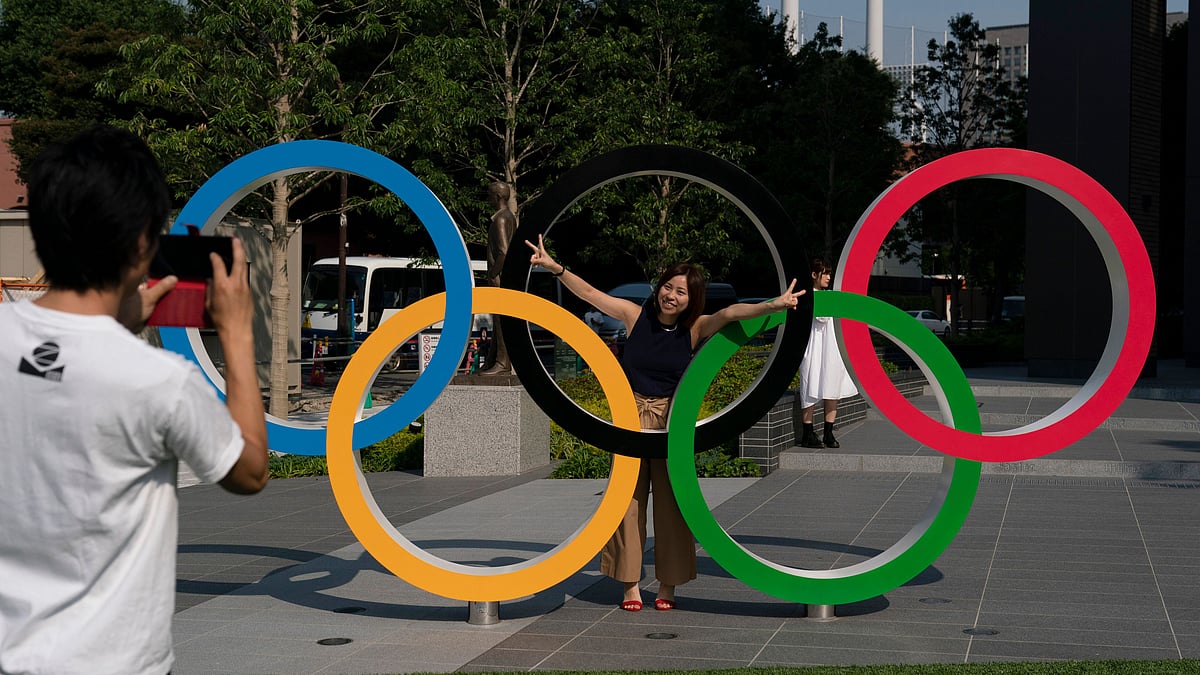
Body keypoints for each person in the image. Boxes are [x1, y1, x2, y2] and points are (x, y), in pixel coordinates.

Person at [0, 124, 269, 675]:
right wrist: (237, 335)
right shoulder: (156, 380)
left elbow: (62, 368)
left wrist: (116, 327)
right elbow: (248, 471)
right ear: (144, 241)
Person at [525, 235, 804, 611]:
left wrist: (775, 305)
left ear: (692, 300)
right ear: (659, 288)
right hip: (629, 415)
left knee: (673, 505)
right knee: (626, 503)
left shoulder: (695, 328)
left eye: (682, 292)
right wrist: (554, 267)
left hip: (672, 420)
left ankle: (668, 586)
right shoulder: (633, 316)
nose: (672, 295)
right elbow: (591, 294)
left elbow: (731, 314)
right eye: (668, 287)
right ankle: (629, 585)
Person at [797, 257, 858, 449]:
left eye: (830, 273)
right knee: (810, 383)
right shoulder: (806, 295)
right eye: (825, 273)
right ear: (814, 275)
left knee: (832, 385)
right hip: (812, 344)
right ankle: (807, 432)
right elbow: (820, 317)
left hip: (830, 345)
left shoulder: (831, 295)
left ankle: (828, 432)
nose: (829, 277)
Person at [479, 181, 517, 375]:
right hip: (504, 279)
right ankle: (493, 359)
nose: (488, 198)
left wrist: (493, 273)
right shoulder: (509, 217)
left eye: (490, 195)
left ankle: (502, 362)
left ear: (498, 197)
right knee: (498, 322)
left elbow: (503, 251)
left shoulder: (500, 220)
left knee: (501, 322)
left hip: (499, 280)